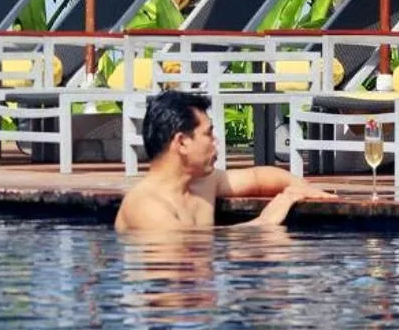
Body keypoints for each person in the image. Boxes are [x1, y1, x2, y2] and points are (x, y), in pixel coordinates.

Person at [114, 89, 335, 233]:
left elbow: (259, 178)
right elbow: (186, 251)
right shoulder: (146, 205)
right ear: (182, 143)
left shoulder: (203, 182)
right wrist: (264, 223)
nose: (216, 141)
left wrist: (303, 190)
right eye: (208, 134)